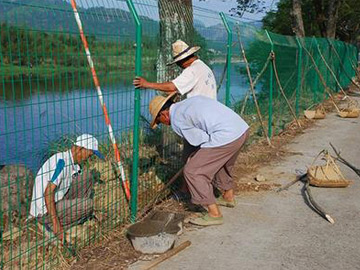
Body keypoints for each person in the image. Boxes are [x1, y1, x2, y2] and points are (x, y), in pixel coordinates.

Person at [148, 93, 249, 226]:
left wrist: (193, 160)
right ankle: (228, 196)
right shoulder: (187, 103)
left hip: (226, 135)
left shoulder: (177, 119)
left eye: (160, 121)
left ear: (164, 115)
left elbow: (200, 141)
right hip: (241, 130)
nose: (164, 124)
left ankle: (214, 214)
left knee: (193, 171)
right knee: (221, 162)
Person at [29, 134, 104, 241]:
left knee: (87, 176)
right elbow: (48, 192)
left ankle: (76, 212)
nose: (88, 158)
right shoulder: (61, 162)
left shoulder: (72, 162)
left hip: (57, 199)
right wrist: (56, 225)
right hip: (44, 210)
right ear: (80, 149)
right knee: (88, 205)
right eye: (89, 155)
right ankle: (52, 225)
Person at [133, 39, 217, 100]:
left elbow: (172, 87)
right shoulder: (202, 66)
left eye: (177, 63)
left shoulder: (192, 70)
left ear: (182, 61)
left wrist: (147, 84)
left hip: (201, 114)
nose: (178, 65)